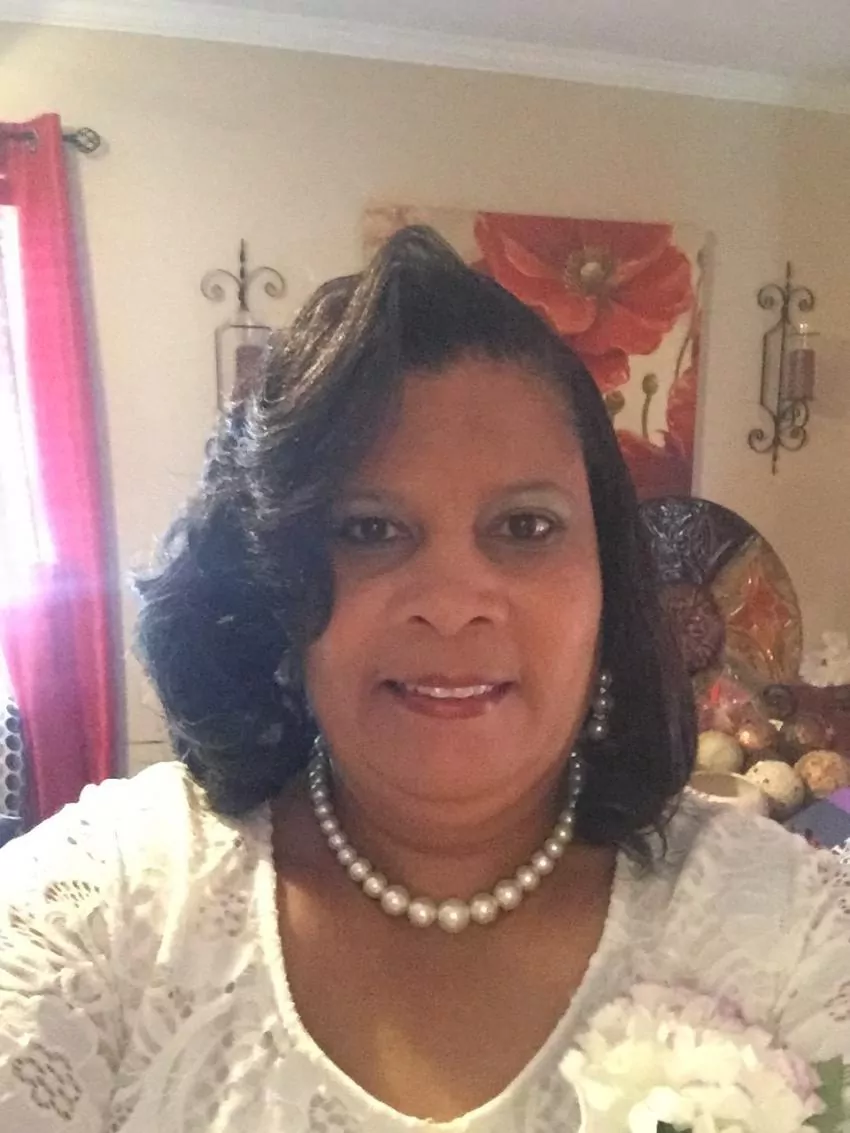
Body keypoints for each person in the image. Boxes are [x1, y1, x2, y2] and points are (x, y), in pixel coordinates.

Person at [0, 227, 847, 1132]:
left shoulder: (792, 931)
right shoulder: (103, 913)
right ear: (274, 577)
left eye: (524, 527)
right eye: (369, 529)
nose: (450, 604)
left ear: (609, 578)